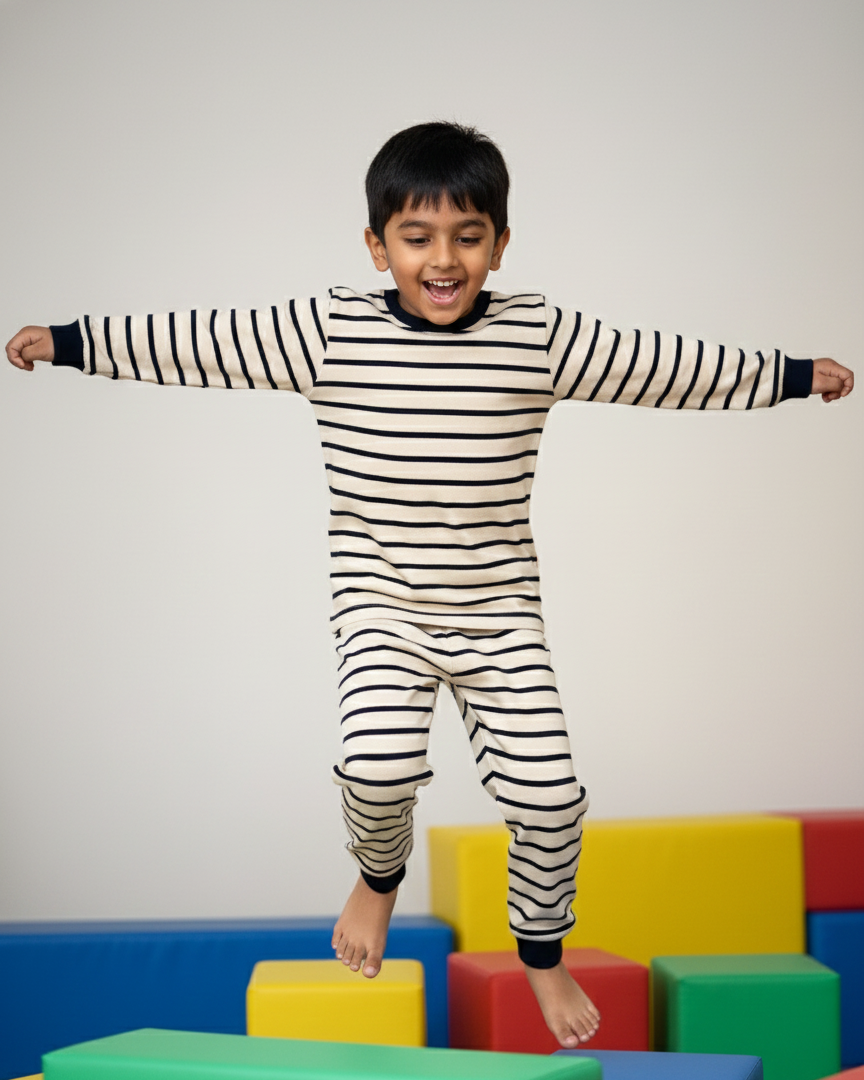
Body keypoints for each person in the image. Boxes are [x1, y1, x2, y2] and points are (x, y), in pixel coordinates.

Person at [5, 121, 854, 1049]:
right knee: (377, 771)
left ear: (500, 242)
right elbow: (198, 340)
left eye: (468, 236)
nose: (443, 260)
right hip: (383, 605)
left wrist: (791, 373)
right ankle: (377, 879)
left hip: (500, 614)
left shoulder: (539, 334)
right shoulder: (328, 331)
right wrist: (73, 341)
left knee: (551, 799)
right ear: (378, 245)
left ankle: (540, 953)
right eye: (417, 238)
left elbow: (662, 366)